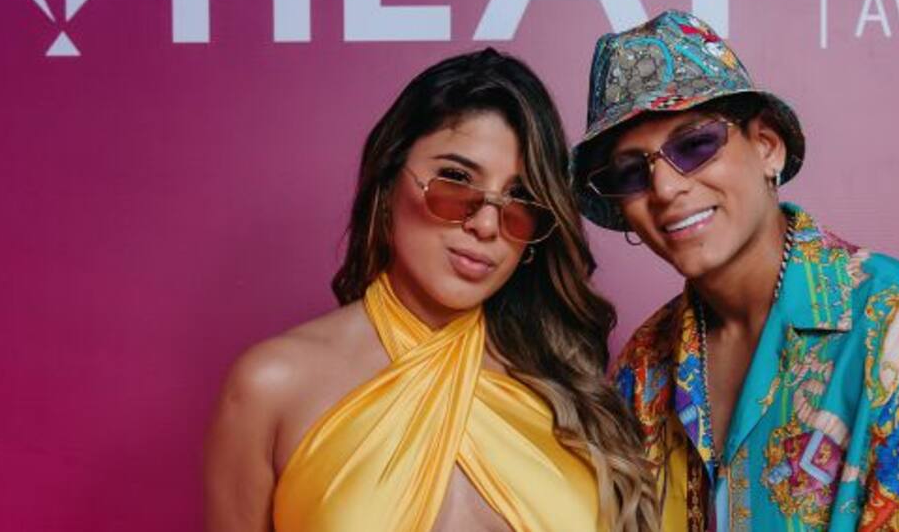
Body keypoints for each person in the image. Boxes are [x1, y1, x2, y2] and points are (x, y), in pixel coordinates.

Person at [571, 11, 899, 531]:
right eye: (632, 172)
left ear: (767, 146)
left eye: (694, 145)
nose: (665, 187)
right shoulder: (642, 368)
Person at [205, 49, 658, 532]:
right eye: (456, 181)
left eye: (520, 200)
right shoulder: (272, 386)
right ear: (388, 182)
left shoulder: (567, 384)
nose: (487, 225)